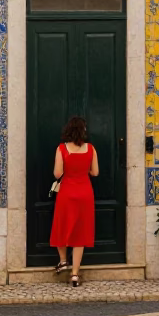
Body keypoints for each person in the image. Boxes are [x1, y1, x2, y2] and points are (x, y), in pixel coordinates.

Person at [49, 116, 99, 285]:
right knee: (80, 232)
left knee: (61, 226)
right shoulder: (91, 149)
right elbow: (95, 172)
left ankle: (63, 260)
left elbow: (57, 173)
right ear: (83, 131)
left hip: (67, 192)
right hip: (85, 192)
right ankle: (75, 275)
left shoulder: (62, 149)